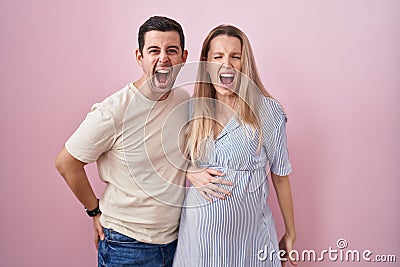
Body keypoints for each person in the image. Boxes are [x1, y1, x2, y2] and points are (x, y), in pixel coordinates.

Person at [55, 16, 190, 267]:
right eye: (154, 51)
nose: (164, 58)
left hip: (177, 242)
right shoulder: (113, 111)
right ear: (140, 57)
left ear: (183, 57)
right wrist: (94, 211)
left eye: (172, 50)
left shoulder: (183, 101)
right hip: (125, 246)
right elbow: (66, 163)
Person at [173, 25, 297, 266]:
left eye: (235, 56)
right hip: (198, 242)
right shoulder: (192, 109)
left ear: (244, 64)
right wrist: (190, 171)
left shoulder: (268, 111)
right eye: (218, 56)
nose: (226, 64)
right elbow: (167, 160)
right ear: (206, 64)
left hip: (248, 244)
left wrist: (291, 233)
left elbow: (280, 175)